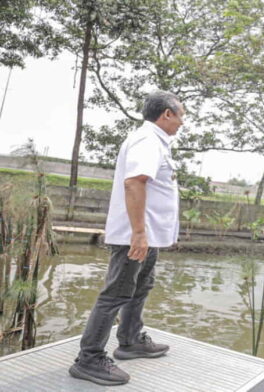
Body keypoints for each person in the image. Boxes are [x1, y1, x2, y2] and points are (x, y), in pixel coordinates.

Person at [69, 91, 184, 386]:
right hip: (136, 235)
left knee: (141, 286)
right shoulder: (148, 140)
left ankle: (131, 340)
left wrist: (147, 234)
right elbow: (134, 183)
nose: (182, 121)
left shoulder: (158, 141)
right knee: (116, 293)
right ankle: (89, 358)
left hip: (148, 235)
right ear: (167, 114)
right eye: (180, 114)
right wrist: (138, 233)